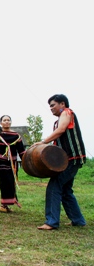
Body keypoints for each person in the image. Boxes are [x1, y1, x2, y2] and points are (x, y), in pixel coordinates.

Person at [33, 94, 86, 230]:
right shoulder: (58, 120)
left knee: (54, 186)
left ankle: (51, 221)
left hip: (71, 158)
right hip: (68, 159)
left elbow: (61, 130)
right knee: (66, 190)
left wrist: (44, 141)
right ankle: (78, 220)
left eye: (53, 105)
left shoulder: (67, 112)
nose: (51, 108)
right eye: (50, 106)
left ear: (62, 104)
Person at [0, 115, 26, 213]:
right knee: (4, 181)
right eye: (4, 120)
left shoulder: (16, 135)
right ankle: (3, 205)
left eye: (8, 120)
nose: (7, 122)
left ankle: (7, 204)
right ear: (1, 123)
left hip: (13, 162)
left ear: (11, 122)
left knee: (12, 181)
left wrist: (26, 161)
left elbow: (21, 151)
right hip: (1, 161)